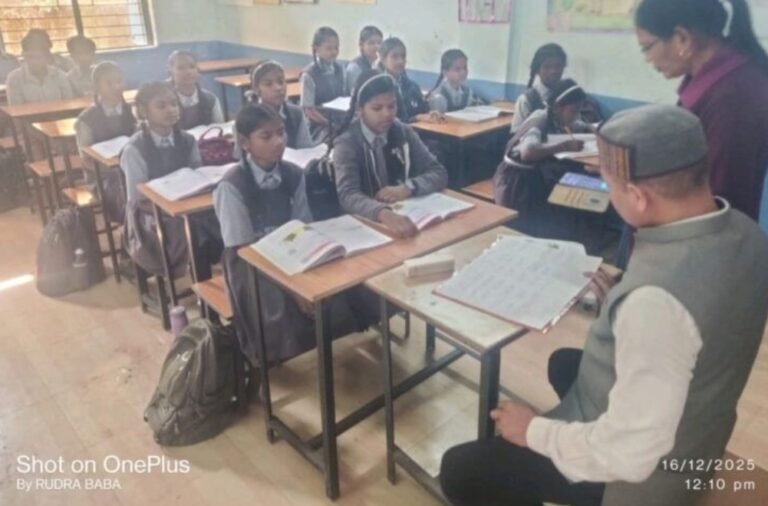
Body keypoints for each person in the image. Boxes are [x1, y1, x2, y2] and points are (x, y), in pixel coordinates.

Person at [441, 104, 768, 506]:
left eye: (610, 187)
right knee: (564, 362)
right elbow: (701, 319)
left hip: (644, 477)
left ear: (638, 197)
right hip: (702, 425)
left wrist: (533, 432)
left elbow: (631, 454)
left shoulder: (654, 305)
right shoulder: (748, 233)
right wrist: (623, 303)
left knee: (460, 470)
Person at [214, 103, 373, 367]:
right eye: (266, 136)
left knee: (343, 285)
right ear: (244, 142)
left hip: (293, 252)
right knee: (280, 306)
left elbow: (302, 227)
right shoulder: (231, 186)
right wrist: (294, 289)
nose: (278, 141)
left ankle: (333, 352)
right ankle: (279, 355)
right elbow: (244, 250)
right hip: (251, 265)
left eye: (281, 132)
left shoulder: (294, 174)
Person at [635, 0, 768, 221]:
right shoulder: (711, 83)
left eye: (647, 47)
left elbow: (721, 198)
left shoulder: (732, 97)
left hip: (709, 235)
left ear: (682, 38)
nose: (648, 59)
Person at [121, 81, 220, 278]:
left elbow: (198, 179)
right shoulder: (134, 150)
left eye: (174, 104)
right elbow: (138, 200)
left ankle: (212, 279)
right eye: (161, 106)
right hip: (151, 216)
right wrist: (173, 210)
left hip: (187, 207)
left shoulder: (188, 140)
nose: (171, 110)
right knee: (193, 230)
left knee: (221, 217)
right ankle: (201, 282)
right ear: (144, 111)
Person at [333, 70, 447, 238]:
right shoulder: (347, 143)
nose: (387, 114)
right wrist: (383, 213)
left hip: (405, 216)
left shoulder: (403, 131)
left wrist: (408, 188)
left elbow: (438, 172)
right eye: (377, 108)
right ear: (359, 109)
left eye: (392, 106)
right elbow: (348, 195)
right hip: (365, 226)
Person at [494, 79, 602, 248]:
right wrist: (564, 146)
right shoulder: (540, 119)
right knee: (571, 193)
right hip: (518, 183)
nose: (576, 115)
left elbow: (581, 125)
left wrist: (594, 129)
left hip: (537, 176)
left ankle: (576, 237)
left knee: (582, 184)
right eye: (573, 111)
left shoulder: (560, 117)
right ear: (558, 107)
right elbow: (528, 152)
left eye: (578, 111)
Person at [75, 61, 136, 223]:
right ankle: (128, 226)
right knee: (123, 189)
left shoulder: (131, 111)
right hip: (102, 177)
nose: (116, 87)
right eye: (109, 83)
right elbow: (86, 160)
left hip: (130, 169)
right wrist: (114, 169)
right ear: (97, 88)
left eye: (119, 81)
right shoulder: (86, 119)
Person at [247, 60, 315, 149]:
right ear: (256, 89)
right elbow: (243, 155)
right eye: (268, 84)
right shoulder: (248, 118)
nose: (278, 88)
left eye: (281, 82)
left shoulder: (296, 113)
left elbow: (306, 149)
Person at [5, 31, 75, 105]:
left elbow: (69, 103)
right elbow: (17, 108)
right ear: (23, 55)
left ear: (46, 56)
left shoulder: (59, 75)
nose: (33, 61)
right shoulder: (14, 78)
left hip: (62, 112)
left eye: (38, 57)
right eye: (29, 57)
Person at [510, 43, 567, 132]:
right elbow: (515, 134)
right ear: (537, 71)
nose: (553, 71)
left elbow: (575, 125)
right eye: (547, 67)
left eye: (558, 66)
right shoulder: (526, 100)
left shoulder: (567, 95)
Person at [300, 27, 346, 136]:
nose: (334, 52)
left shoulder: (340, 69)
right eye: (329, 48)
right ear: (316, 49)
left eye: (336, 48)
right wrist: (330, 124)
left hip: (338, 121)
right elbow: (309, 111)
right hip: (319, 125)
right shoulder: (309, 75)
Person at [167, 50, 225, 130]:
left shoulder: (211, 100)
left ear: (198, 71)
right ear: (171, 72)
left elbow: (219, 129)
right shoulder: (164, 102)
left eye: (192, 67)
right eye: (181, 68)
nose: (188, 72)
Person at [377, 38, 430, 123]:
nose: (400, 61)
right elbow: (386, 121)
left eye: (403, 56)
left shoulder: (413, 86)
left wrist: (431, 114)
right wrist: (415, 118)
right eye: (395, 57)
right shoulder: (377, 87)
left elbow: (424, 110)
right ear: (383, 60)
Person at [427, 49, 486, 114]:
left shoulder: (468, 92)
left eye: (465, 68)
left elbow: (479, 107)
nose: (463, 72)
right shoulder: (438, 96)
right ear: (445, 72)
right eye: (457, 69)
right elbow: (437, 119)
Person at [345, 25, 383, 95]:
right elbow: (356, 94)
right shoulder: (354, 67)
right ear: (361, 45)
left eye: (379, 43)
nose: (377, 47)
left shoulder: (383, 64)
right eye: (371, 43)